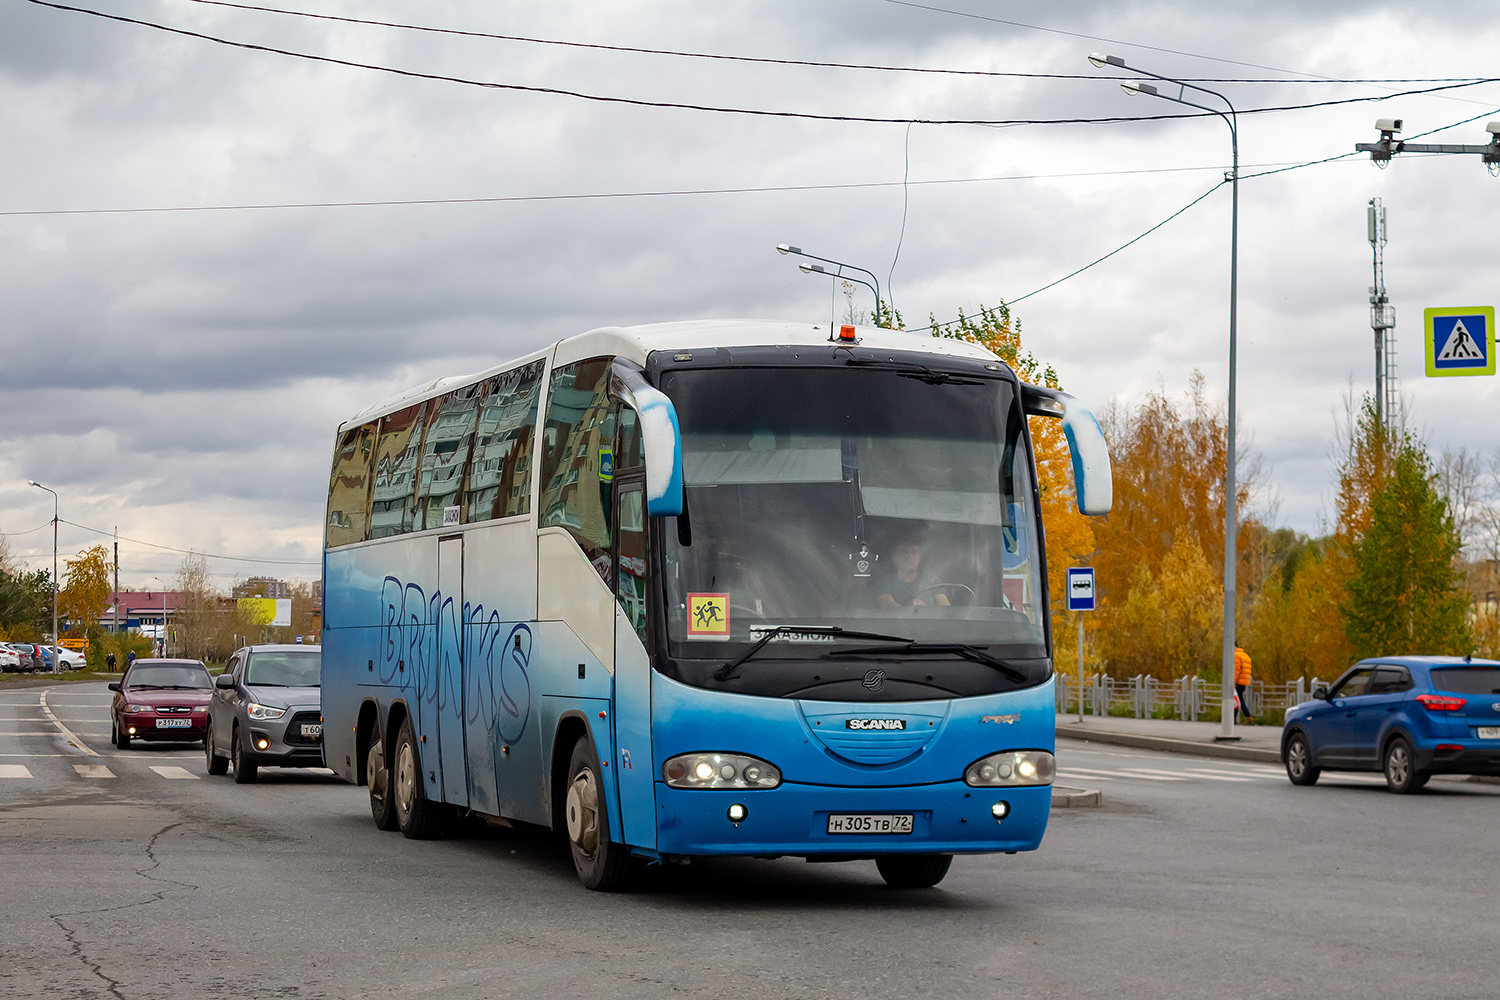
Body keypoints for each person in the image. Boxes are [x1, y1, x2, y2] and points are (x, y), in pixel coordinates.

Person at [877, 537, 951, 610]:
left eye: (914, 552)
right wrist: (907, 608)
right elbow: (887, 604)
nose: (909, 556)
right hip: (898, 622)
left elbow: (946, 609)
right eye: (903, 552)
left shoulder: (932, 581)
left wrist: (927, 611)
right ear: (895, 557)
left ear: (920, 557)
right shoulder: (885, 582)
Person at [1234, 642, 1254, 723]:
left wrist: (1233, 681)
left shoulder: (1236, 656)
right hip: (1244, 681)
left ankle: (1249, 717)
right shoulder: (1245, 655)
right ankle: (1233, 719)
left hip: (1238, 681)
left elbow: (1236, 670)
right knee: (1237, 700)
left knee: (1239, 700)